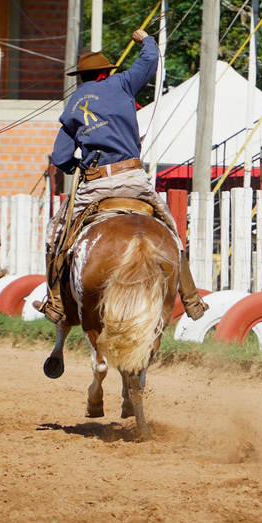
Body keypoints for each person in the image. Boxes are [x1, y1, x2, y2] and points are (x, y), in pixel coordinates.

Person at [33, 29, 208, 325]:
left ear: (81, 77)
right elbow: (150, 59)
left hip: (96, 184)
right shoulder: (123, 83)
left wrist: (79, 167)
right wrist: (145, 39)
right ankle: (191, 300)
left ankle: (55, 303)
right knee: (171, 232)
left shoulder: (73, 105)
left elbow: (60, 157)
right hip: (133, 179)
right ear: (105, 72)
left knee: (56, 233)